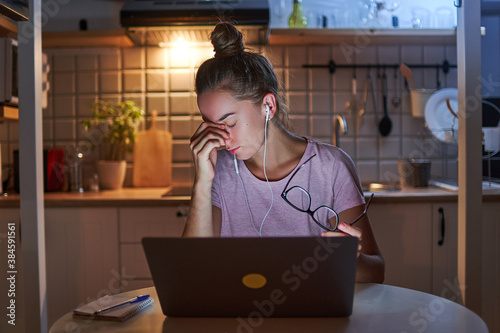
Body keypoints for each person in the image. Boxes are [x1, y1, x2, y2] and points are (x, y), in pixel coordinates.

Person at [183, 22, 384, 283]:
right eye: (211, 125)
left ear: (268, 105)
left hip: (315, 319)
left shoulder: (332, 168)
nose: (221, 138)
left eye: (229, 123)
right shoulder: (218, 171)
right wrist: (202, 182)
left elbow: (376, 273)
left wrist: (351, 259)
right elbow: (191, 272)